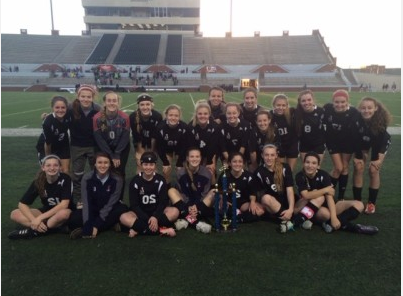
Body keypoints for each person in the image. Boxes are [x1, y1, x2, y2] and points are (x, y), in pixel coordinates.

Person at [294, 152, 378, 234]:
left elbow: (329, 197)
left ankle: (331, 223)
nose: (310, 165)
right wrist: (325, 190)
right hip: (314, 207)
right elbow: (306, 195)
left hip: (329, 205)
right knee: (325, 214)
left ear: (318, 166)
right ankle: (353, 228)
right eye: (307, 162)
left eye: (314, 163)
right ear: (303, 163)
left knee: (360, 205)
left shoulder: (323, 175)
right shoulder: (300, 176)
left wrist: (334, 218)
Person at [8, 155, 73, 239]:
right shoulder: (39, 181)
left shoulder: (66, 179)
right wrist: (33, 220)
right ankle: (51, 229)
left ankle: (32, 231)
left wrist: (40, 218)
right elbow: (22, 204)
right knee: (15, 214)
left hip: (61, 212)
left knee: (64, 213)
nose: (52, 168)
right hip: (47, 210)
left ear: (60, 167)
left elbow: (64, 205)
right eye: (48, 165)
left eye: (55, 165)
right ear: (43, 167)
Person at [68, 152, 128, 239]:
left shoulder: (117, 179)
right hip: (93, 208)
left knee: (122, 209)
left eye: (106, 163)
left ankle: (91, 229)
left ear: (110, 164)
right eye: (99, 162)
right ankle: (111, 225)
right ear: (95, 164)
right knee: (73, 220)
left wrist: (96, 225)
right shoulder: (87, 178)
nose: (102, 166)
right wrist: (87, 223)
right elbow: (86, 202)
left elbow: (110, 204)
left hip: (109, 210)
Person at [119, 152, 179, 237]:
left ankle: (139, 229)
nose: (148, 167)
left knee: (175, 212)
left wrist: (155, 217)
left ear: (155, 165)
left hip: (157, 212)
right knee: (123, 217)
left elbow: (163, 203)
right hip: (140, 213)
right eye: (145, 164)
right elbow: (134, 205)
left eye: (151, 164)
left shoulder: (161, 180)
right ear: (141, 165)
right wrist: (148, 219)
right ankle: (162, 230)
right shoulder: (135, 181)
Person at [352, 97, 392, 214]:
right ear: (360, 109)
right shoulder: (356, 118)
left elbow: (378, 143)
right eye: (363, 108)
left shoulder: (381, 120)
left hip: (380, 143)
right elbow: (355, 139)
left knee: (373, 170)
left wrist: (375, 160)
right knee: (358, 167)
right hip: (362, 140)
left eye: (370, 108)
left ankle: (371, 203)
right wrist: (359, 156)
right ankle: (357, 201)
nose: (366, 110)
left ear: (376, 108)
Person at [168, 147, 215, 233]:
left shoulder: (206, 173)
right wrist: (189, 207)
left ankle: (186, 219)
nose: (194, 159)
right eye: (192, 156)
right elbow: (182, 194)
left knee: (213, 192)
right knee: (171, 190)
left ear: (200, 158)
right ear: (187, 158)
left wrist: (196, 207)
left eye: (197, 156)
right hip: (186, 206)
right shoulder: (180, 173)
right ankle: (196, 223)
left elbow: (204, 195)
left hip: (200, 206)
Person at [93, 91, 130, 198]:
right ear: (104, 102)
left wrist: (117, 154)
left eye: (114, 101)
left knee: (119, 172)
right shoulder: (97, 118)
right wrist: (109, 154)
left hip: (121, 148)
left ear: (118, 102)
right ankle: (102, 196)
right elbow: (99, 138)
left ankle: (119, 198)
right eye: (109, 100)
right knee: (102, 170)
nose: (112, 103)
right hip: (103, 147)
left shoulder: (124, 117)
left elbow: (125, 137)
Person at [69, 84, 101, 208]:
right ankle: (78, 198)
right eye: (83, 96)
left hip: (93, 146)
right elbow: (59, 114)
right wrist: (47, 116)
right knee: (77, 174)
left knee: (97, 172)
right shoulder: (71, 108)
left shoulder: (98, 109)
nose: (86, 99)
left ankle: (96, 195)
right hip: (77, 146)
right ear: (78, 96)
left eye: (89, 97)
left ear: (93, 97)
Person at [323, 89, 359, 201]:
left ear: (347, 101)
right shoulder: (327, 109)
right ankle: (328, 192)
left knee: (344, 168)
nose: (340, 105)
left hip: (348, 143)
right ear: (333, 101)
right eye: (337, 102)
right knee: (338, 168)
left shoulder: (353, 112)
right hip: (333, 142)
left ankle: (341, 197)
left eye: (343, 102)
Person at [254, 144, 295, 233]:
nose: (269, 158)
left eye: (272, 155)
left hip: (287, 203)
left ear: (276, 156)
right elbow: (259, 195)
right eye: (266, 155)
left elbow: (290, 190)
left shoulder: (285, 167)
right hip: (272, 205)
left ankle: (287, 218)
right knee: (265, 198)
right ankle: (289, 220)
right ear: (262, 155)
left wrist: (291, 209)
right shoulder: (258, 172)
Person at [217, 152, 265, 223]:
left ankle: (238, 218)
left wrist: (252, 202)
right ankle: (241, 216)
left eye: (240, 162)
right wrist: (222, 199)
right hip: (229, 203)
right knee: (222, 207)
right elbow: (220, 191)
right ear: (230, 163)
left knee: (260, 210)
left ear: (243, 163)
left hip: (243, 203)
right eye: (234, 162)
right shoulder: (224, 175)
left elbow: (252, 193)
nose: (237, 164)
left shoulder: (249, 176)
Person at [153, 104, 190, 184]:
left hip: (179, 149)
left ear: (179, 116)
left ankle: (181, 187)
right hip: (166, 149)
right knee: (166, 170)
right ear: (166, 115)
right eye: (171, 115)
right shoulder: (160, 127)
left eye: (176, 115)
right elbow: (160, 147)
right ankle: (167, 187)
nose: (173, 118)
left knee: (181, 170)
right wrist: (165, 163)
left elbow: (184, 146)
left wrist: (179, 162)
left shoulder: (184, 127)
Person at [36, 96, 71, 173]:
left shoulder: (69, 115)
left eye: (63, 107)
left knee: (65, 171)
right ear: (52, 108)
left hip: (62, 144)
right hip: (46, 147)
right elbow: (47, 143)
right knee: (49, 171)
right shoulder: (48, 122)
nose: (60, 110)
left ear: (66, 108)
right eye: (57, 107)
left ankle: (65, 185)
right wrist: (48, 157)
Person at [129, 93, 162, 174]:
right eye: (142, 104)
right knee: (140, 164)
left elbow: (155, 137)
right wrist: (141, 155)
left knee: (152, 163)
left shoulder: (157, 116)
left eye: (148, 104)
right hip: (140, 141)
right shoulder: (133, 117)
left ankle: (154, 179)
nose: (145, 107)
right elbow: (137, 138)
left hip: (153, 141)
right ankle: (140, 179)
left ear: (152, 105)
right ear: (138, 106)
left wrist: (151, 154)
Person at [188, 100, 220, 183]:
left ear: (209, 114)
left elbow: (213, 146)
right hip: (197, 151)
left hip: (210, 152)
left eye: (205, 114)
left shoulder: (215, 126)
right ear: (196, 114)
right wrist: (197, 159)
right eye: (200, 114)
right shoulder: (191, 126)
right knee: (195, 169)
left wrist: (209, 161)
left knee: (210, 169)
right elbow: (191, 146)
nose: (203, 116)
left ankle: (212, 187)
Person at [294, 89, 326, 164]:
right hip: (304, 145)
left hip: (318, 144)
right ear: (300, 102)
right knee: (307, 167)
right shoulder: (296, 113)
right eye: (303, 101)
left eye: (309, 100)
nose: (306, 103)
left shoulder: (321, 111)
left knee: (316, 167)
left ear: (313, 100)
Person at [269, 94, 298, 172]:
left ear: (287, 106)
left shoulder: (292, 114)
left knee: (289, 171)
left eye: (283, 105)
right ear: (273, 105)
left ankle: (288, 184)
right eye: (278, 105)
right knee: (279, 171)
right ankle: (279, 184)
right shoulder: (270, 116)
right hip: (279, 146)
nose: (280, 107)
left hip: (292, 145)